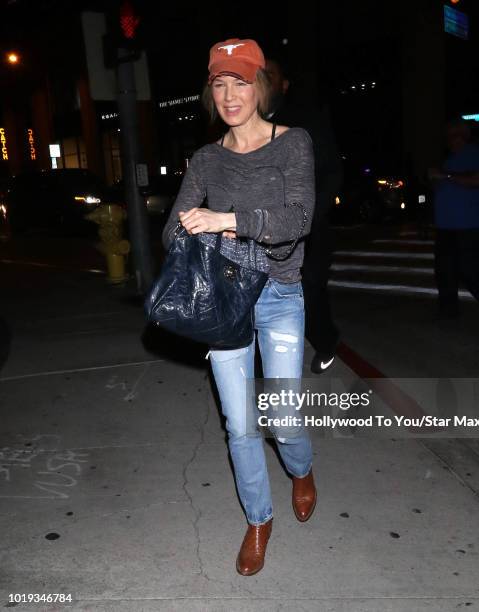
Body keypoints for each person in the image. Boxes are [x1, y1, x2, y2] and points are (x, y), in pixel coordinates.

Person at [162, 38, 317, 576]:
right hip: (224, 302)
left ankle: (301, 468)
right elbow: (172, 230)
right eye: (219, 83)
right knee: (240, 423)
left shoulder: (293, 144)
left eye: (241, 81)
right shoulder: (205, 159)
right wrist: (189, 224)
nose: (230, 94)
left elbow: (297, 221)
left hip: (278, 296)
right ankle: (258, 519)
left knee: (286, 417)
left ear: (262, 86)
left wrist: (225, 219)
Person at [265, 58, 343, 373]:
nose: (262, 81)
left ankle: (326, 340)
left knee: (308, 290)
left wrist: (308, 218)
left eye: (269, 75)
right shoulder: (244, 122)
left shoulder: (305, 121)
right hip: (261, 228)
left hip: (305, 228)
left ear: (284, 85)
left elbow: (332, 172)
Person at [429, 120, 479, 318]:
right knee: (445, 270)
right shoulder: (450, 159)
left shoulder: (477, 155)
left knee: (470, 269)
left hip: (470, 224)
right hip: (446, 225)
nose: (449, 140)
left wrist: (445, 176)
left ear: (462, 136)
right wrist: (435, 180)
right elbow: (442, 184)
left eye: (453, 135)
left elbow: (478, 180)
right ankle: (448, 310)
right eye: (448, 136)